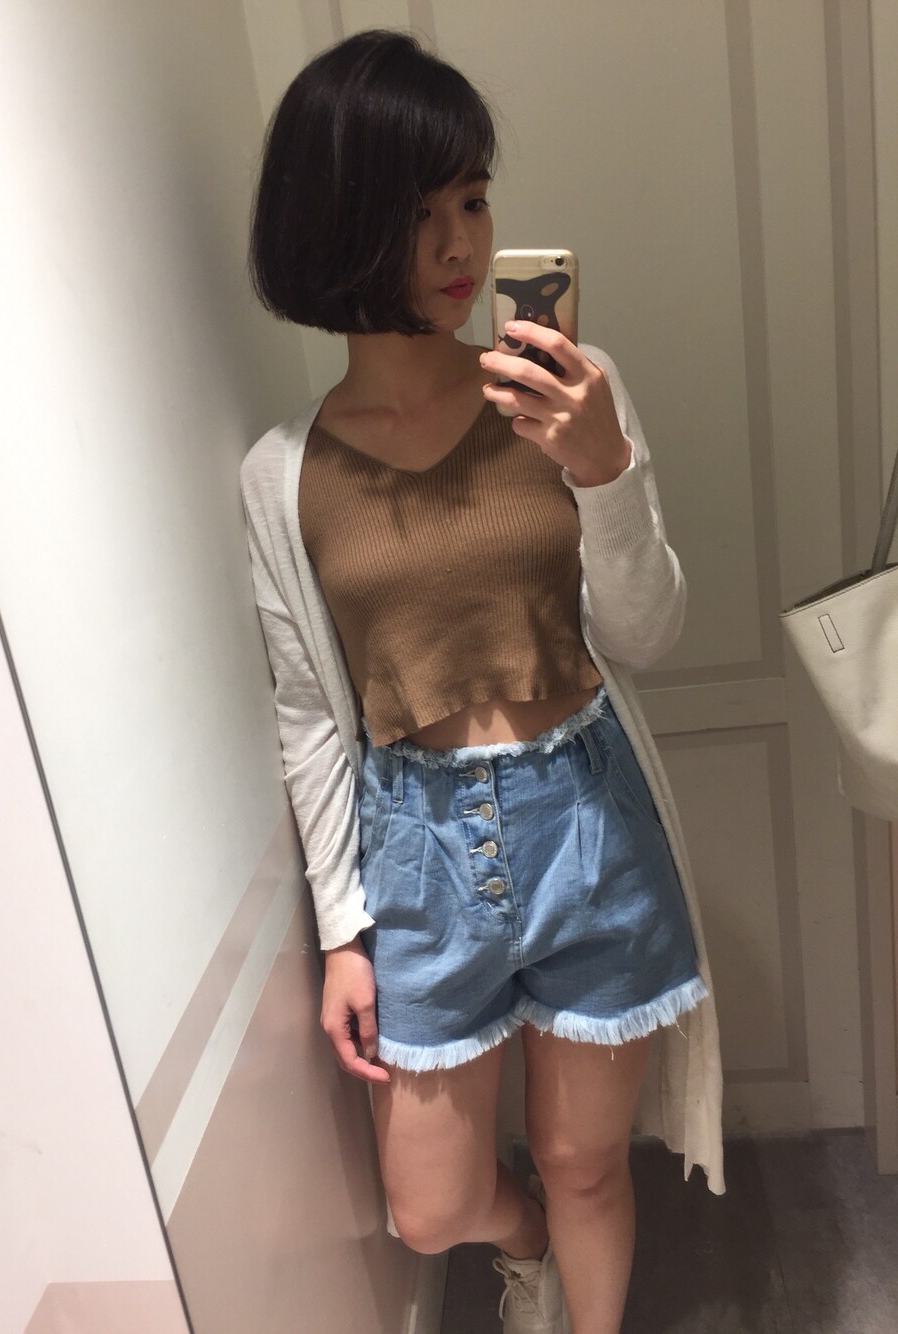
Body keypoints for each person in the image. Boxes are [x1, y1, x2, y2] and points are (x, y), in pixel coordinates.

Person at [240, 28, 724, 1334]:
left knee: (584, 1161)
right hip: (419, 849)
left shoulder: (567, 398)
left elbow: (649, 631)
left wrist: (605, 470)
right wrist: (343, 930)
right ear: (338, 222)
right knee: (430, 1204)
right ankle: (524, 1246)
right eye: (418, 212)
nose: (460, 244)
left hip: (588, 816)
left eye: (472, 199)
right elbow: (310, 713)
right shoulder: (284, 473)